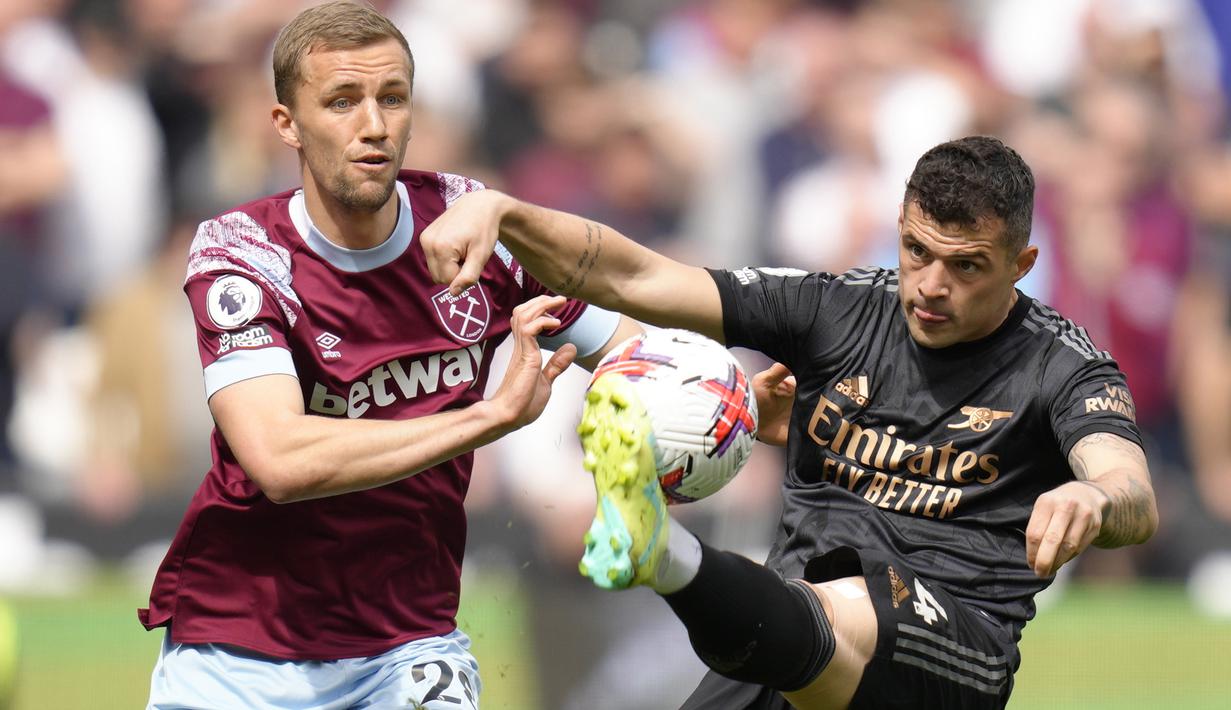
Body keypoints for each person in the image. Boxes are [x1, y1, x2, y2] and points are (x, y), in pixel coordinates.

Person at [421, 135, 1160, 709]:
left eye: (965, 267)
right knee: (813, 608)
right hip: (784, 632)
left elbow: (1130, 489)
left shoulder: (1061, 366)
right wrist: (505, 213)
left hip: (949, 655)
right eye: (915, 252)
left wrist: (1092, 497)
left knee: (847, 602)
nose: (930, 286)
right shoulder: (837, 308)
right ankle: (676, 561)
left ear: (1020, 262)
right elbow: (638, 277)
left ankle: (664, 553)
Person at [138, 3, 645, 708]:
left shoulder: (475, 228)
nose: (372, 125)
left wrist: (734, 414)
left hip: (408, 647)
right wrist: (490, 419)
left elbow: (630, 350)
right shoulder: (241, 254)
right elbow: (281, 461)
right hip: (238, 650)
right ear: (286, 122)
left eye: (392, 98)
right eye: (342, 102)